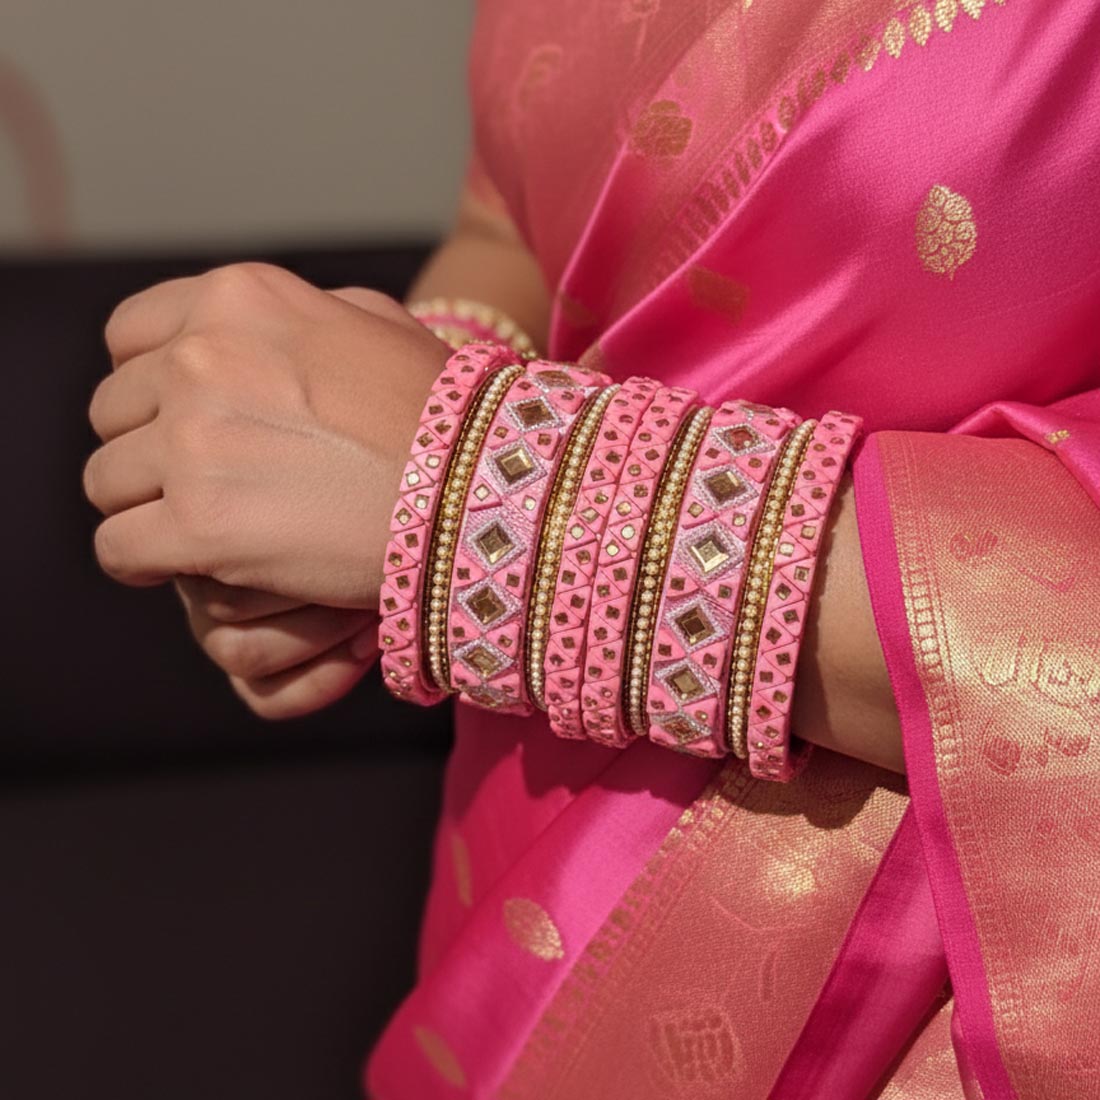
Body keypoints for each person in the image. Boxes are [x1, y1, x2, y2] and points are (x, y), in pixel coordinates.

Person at [83, 1, 1100, 1096]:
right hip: (526, 830)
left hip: (929, 966)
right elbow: (518, 217)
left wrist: (490, 493)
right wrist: (385, 422)